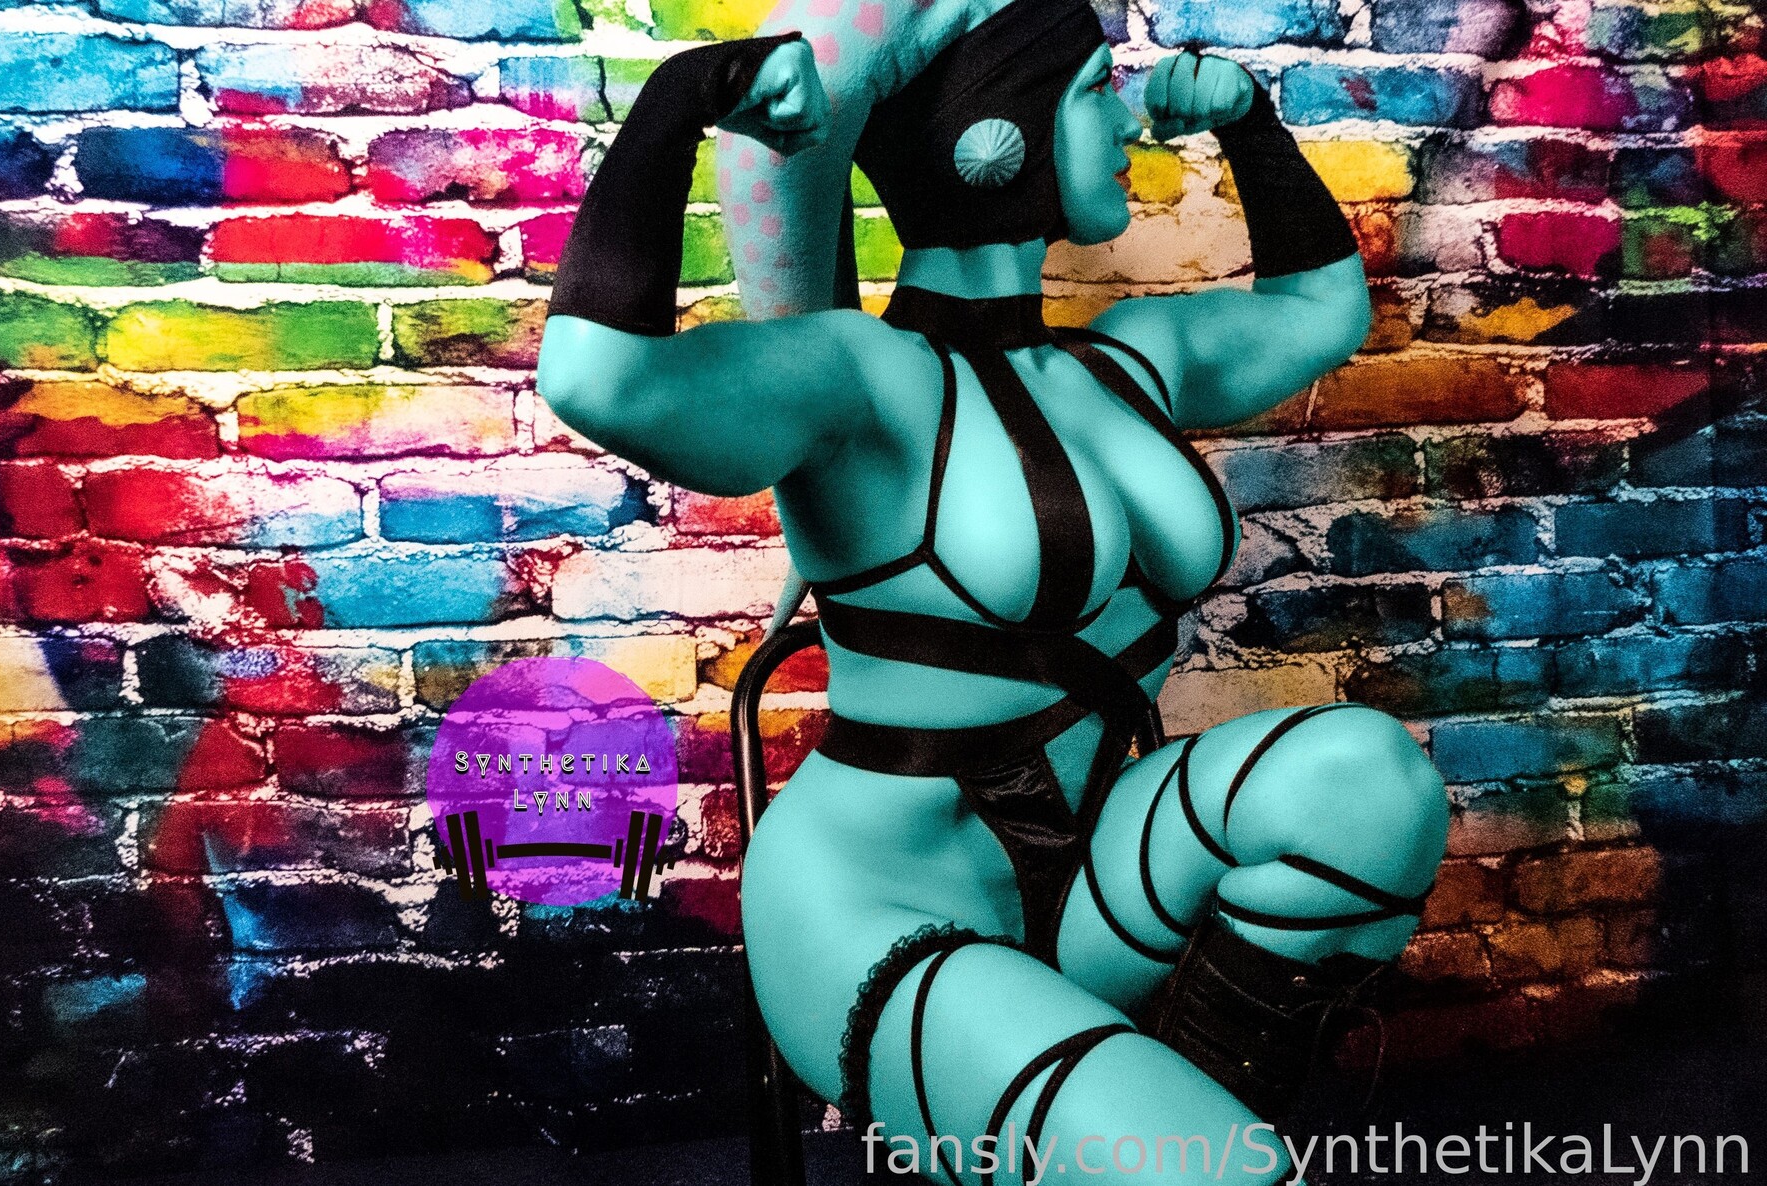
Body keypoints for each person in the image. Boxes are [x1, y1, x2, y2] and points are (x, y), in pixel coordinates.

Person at [536, 4, 1450, 1179]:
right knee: (1213, 1169)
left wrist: (1252, 124)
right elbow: (601, 380)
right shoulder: (858, 374)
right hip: (878, 905)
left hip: (1096, 869)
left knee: (1371, 781)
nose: (1127, 123)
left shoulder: (1124, 361)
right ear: (995, 136)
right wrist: (681, 102)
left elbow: (1325, 312)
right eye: (1094, 91)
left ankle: (1158, 1109)